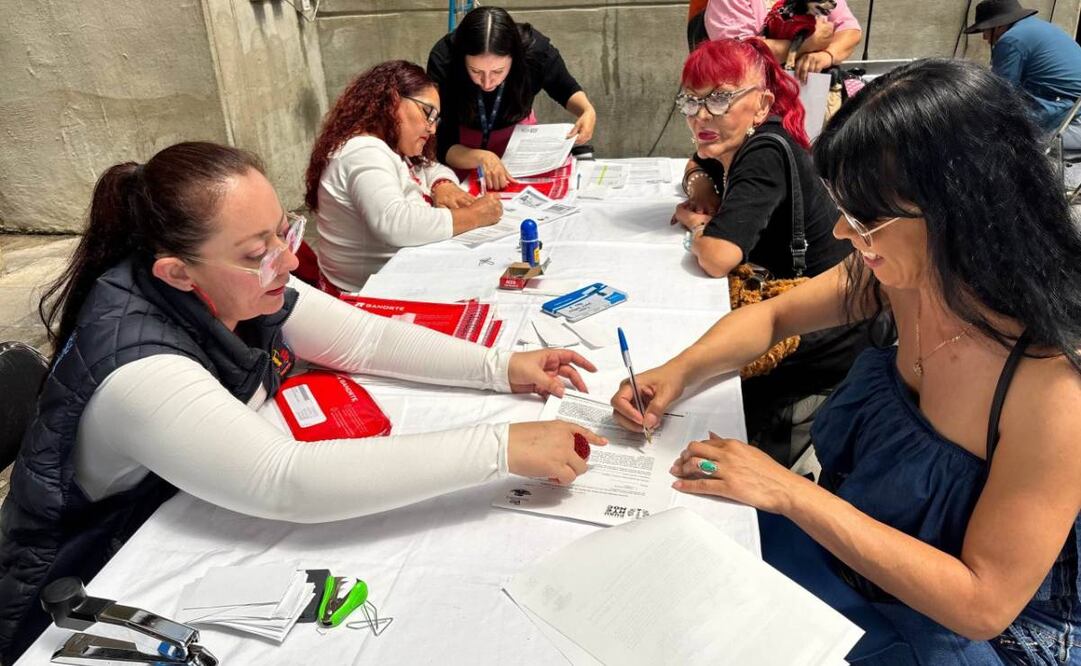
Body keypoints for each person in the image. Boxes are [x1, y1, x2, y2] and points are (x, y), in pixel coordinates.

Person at [0, 142, 606, 662]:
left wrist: (502, 368)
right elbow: (284, 479)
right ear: (178, 273)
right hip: (86, 585)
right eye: (256, 251)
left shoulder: (236, 280)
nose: (288, 261)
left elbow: (364, 338)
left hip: (182, 516)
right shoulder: (138, 370)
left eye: (283, 231)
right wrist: (500, 447)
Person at [613, 59, 1081, 663]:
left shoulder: (1052, 385)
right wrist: (676, 372)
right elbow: (772, 318)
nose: (840, 231)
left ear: (961, 209)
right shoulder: (906, 275)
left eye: (864, 218)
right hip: (850, 552)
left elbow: (982, 602)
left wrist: (788, 491)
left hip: (962, 627)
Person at [675, 37, 864, 465]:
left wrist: (697, 227)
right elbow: (696, 163)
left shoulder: (762, 151)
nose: (701, 115)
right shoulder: (738, 138)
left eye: (720, 99)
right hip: (806, 309)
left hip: (822, 330)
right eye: (691, 100)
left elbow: (718, 257)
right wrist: (701, 187)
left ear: (761, 105)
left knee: (706, 394)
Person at [305, 60, 502, 294]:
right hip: (370, 295)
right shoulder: (364, 152)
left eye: (436, 119)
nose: (432, 129)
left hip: (394, 278)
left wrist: (442, 184)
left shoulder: (387, 146)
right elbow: (394, 223)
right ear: (392, 100)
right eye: (427, 113)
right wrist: (474, 216)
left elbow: (428, 168)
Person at [427, 6, 597, 190]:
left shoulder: (535, 50)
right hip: (463, 150)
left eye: (498, 71)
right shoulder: (444, 59)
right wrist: (482, 157)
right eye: (476, 71)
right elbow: (444, 143)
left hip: (518, 141)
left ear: (515, 57)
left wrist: (587, 111)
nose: (486, 82)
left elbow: (565, 88)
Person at [965, 0, 1081, 148]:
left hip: (1070, 117)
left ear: (999, 25)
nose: (985, 37)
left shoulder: (1011, 40)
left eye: (985, 30)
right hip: (1069, 107)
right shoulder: (1040, 27)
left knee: (998, 140)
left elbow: (1000, 93)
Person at [704, 0, 862, 82]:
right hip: (754, 95)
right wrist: (807, 44)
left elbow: (850, 29)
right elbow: (739, 53)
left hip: (813, 91)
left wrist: (826, 55)